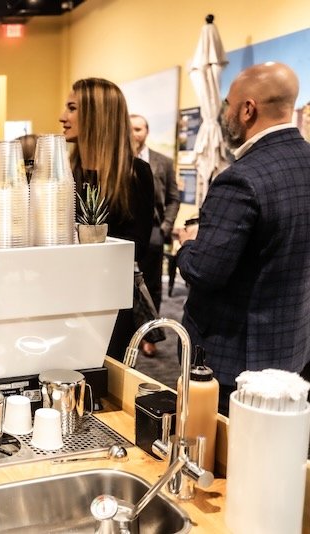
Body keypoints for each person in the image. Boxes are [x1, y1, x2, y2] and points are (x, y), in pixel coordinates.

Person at [175, 62, 310, 415]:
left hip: (232, 362)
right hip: (292, 348)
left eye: (228, 105)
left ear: (247, 109)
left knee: (223, 459)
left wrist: (187, 243)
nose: (225, 115)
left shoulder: (240, 179)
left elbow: (205, 272)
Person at [59, 78, 155, 361]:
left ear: (96, 115)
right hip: (60, 297)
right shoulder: (63, 174)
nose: (63, 117)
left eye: (72, 108)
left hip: (109, 307)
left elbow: (136, 247)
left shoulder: (136, 174)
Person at [130, 114, 180, 357]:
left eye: (138, 128)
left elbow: (173, 197)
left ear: (146, 131)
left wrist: (166, 226)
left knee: (152, 285)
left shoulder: (163, 162)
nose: (134, 133)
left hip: (154, 231)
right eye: (130, 129)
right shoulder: (119, 161)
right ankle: (130, 332)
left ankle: (150, 337)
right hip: (127, 231)